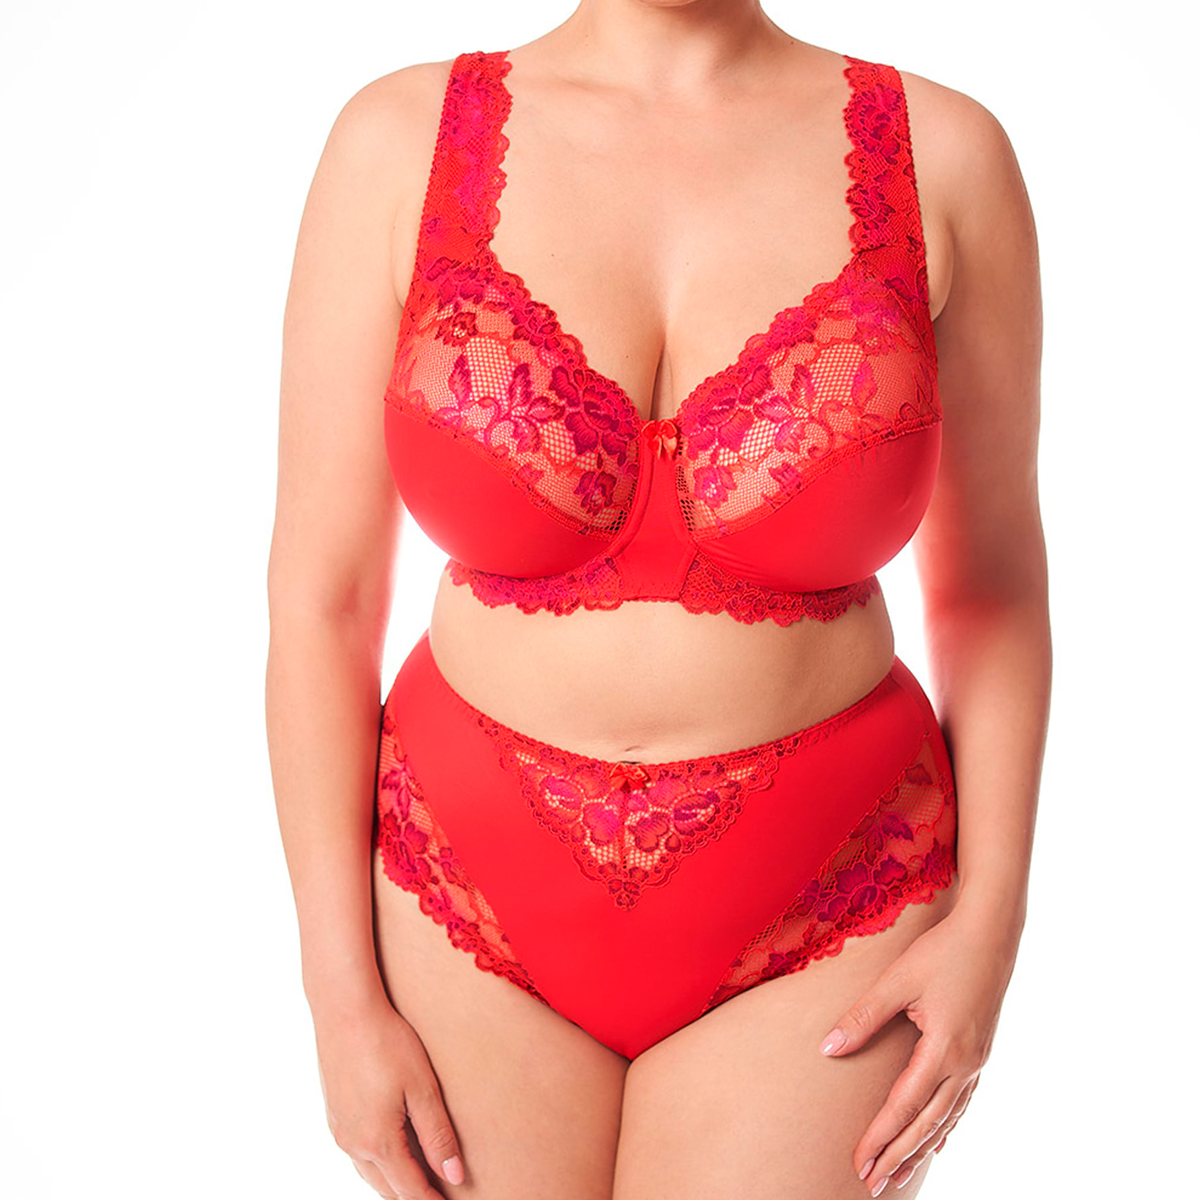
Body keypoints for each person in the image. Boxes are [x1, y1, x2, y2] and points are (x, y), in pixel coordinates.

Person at [265, 2, 1049, 1197]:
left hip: (831, 901)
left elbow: (994, 594)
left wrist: (992, 925)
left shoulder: (943, 154)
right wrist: (337, 994)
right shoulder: (398, 140)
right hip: (462, 891)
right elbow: (322, 600)